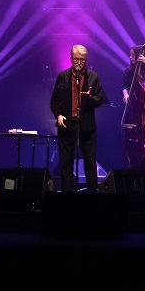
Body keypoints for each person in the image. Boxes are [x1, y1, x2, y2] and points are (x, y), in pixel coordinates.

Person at [49, 45, 106, 192]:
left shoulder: (93, 77)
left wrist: (89, 98)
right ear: (70, 59)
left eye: (82, 59)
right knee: (66, 162)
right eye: (76, 59)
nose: (79, 62)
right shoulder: (62, 76)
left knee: (90, 162)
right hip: (67, 126)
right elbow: (54, 101)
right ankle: (67, 196)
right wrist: (58, 115)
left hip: (87, 126)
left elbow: (100, 99)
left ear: (86, 60)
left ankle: (92, 195)